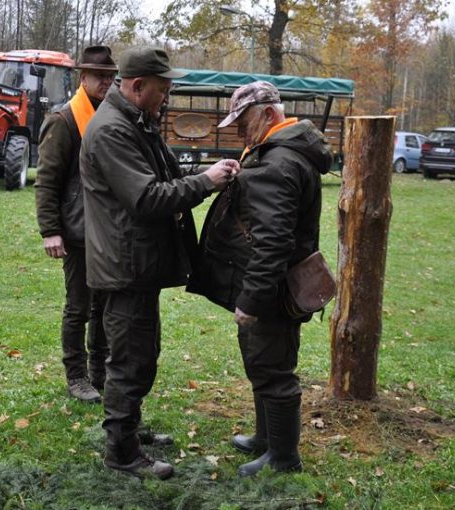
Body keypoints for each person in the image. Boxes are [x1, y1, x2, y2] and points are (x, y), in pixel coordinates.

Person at [79, 46, 239, 479]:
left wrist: (204, 171)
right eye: (163, 89)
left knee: (143, 352)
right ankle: (122, 453)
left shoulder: (136, 122)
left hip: (137, 263)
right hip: (125, 265)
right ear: (137, 86)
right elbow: (147, 196)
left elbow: (166, 175)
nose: (167, 97)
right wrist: (206, 182)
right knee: (130, 360)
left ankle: (130, 429)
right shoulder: (113, 130)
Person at [187, 81, 333, 476]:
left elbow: (273, 244)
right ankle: (265, 438)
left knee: (274, 370)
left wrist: (251, 300)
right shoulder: (276, 152)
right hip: (270, 284)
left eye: (243, 121)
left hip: (270, 288)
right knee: (261, 362)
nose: (237, 132)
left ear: (269, 114)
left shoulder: (279, 162)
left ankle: (283, 458)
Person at [35, 46, 117, 403]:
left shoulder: (111, 116)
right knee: (78, 307)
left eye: (111, 77)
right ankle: (76, 376)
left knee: (104, 307)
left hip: (107, 231)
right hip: (77, 230)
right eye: (100, 77)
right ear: (83, 78)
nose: (106, 83)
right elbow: (47, 180)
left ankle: (99, 372)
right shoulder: (64, 119)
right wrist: (50, 230)